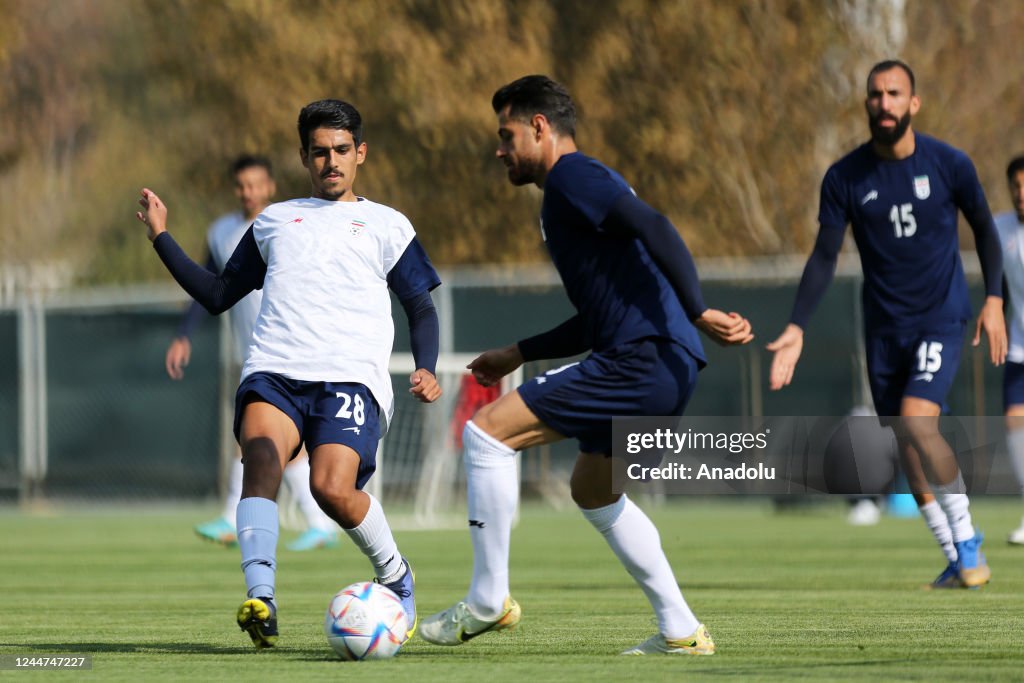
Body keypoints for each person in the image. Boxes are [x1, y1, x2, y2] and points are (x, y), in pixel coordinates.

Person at [419, 75, 753, 655]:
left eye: (507, 134)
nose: (500, 150)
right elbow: (598, 318)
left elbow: (657, 226)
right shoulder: (573, 195)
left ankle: (486, 600)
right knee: (593, 490)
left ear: (540, 128)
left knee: (486, 436)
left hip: (642, 360)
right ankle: (680, 630)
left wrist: (700, 310)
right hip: (665, 367)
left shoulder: (573, 176)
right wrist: (519, 353)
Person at [136, 98, 442, 647]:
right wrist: (162, 237)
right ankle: (263, 599)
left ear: (361, 154)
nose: (332, 161)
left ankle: (395, 574)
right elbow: (217, 295)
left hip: (351, 380)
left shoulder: (386, 224)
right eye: (320, 151)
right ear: (304, 156)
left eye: (342, 150)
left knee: (330, 489)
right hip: (275, 370)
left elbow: (420, 307)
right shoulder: (276, 221)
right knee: (261, 459)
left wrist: (426, 367)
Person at [767, 60, 1005, 588]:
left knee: (921, 423)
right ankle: (952, 555)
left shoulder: (949, 164)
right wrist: (798, 325)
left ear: (913, 104)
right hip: (883, 330)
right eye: (876, 94)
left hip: (941, 318)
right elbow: (824, 256)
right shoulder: (845, 177)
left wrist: (993, 300)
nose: (885, 103)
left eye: (895, 93)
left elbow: (986, 231)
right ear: (867, 104)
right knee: (905, 443)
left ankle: (969, 543)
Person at [167, 154, 339, 552]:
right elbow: (208, 288)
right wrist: (184, 334)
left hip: (291, 347)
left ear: (270, 186)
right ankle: (313, 522)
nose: (249, 192)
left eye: (256, 184)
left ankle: (237, 516)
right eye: (241, 185)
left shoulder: (289, 222)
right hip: (253, 352)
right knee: (266, 438)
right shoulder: (223, 232)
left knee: (262, 433)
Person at [995, 154, 1024, 545]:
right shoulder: (999, 228)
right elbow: (996, 280)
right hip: (1019, 347)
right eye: (1016, 186)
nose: (1021, 194)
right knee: (1015, 422)